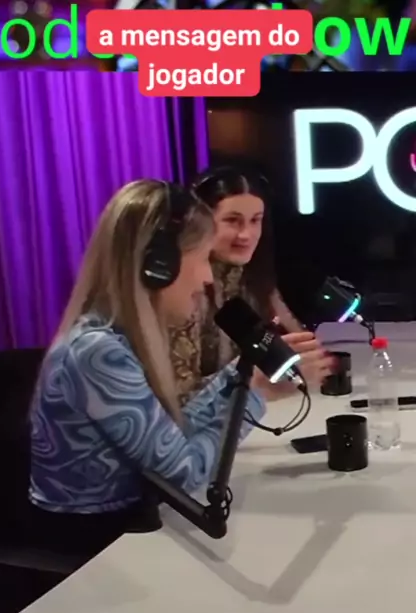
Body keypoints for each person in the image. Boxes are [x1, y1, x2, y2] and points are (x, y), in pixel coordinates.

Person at [30, 180, 278, 554]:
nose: (207, 277)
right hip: (94, 545)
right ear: (158, 267)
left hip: (128, 524)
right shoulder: (97, 353)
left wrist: (241, 376)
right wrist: (255, 397)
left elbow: (170, 438)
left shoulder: (118, 335)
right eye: (201, 258)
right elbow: (185, 474)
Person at [170, 166, 331, 403]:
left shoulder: (253, 275)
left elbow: (297, 340)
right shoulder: (179, 289)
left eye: (256, 220)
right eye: (232, 221)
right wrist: (252, 382)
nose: (246, 234)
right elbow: (178, 396)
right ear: (199, 223)